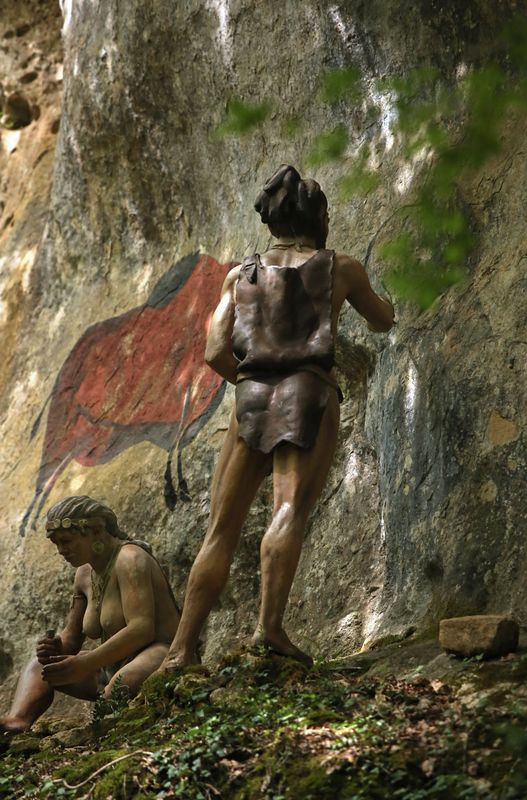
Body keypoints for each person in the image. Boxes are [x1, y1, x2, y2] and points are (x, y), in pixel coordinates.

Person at [160, 164, 394, 671]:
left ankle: (180, 651)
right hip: (308, 392)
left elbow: (214, 351)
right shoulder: (340, 268)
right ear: (320, 216)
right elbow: (382, 319)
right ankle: (268, 630)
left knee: (220, 530)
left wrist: (253, 377)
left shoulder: (239, 275)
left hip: (250, 395)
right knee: (287, 511)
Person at [0, 496, 180, 734]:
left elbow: (141, 630)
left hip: (159, 653)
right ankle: (18, 720)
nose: (61, 551)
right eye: (56, 544)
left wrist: (86, 663)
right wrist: (56, 647)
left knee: (118, 688)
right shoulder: (85, 573)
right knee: (39, 666)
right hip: (108, 666)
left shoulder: (130, 559)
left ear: (95, 531)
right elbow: (72, 637)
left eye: (66, 541)